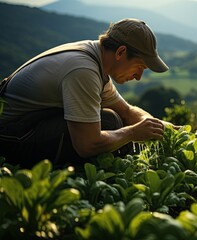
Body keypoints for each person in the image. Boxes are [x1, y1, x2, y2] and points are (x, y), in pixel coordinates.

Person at [0, 18, 178, 168]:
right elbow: (87, 145)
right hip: (9, 139)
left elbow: (127, 112)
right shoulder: (83, 71)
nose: (139, 77)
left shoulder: (95, 57)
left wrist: (165, 129)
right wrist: (132, 133)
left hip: (26, 127)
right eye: (140, 67)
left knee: (113, 119)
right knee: (109, 124)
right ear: (121, 52)